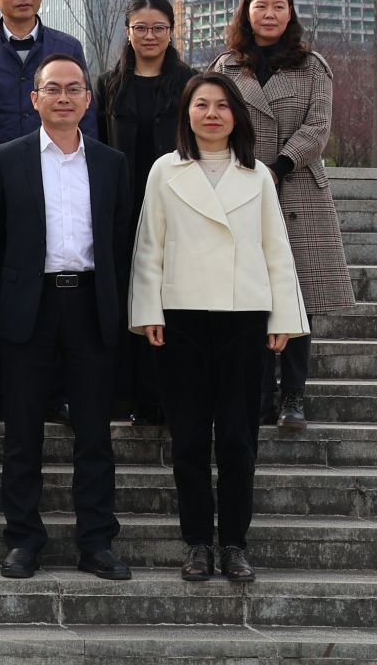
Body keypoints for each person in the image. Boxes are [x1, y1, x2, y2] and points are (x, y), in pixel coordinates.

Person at [130, 72, 308, 585]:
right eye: (202, 104)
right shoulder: (164, 170)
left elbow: (276, 249)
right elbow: (149, 245)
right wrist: (148, 311)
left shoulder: (257, 176)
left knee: (237, 438)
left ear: (237, 116)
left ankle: (234, 543)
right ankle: (196, 544)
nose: (212, 114)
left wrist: (284, 318)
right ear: (186, 113)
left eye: (222, 106)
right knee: (188, 439)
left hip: (243, 317)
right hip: (181, 317)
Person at [0, 54, 133, 581]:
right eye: (53, 89)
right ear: (34, 98)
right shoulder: (6, 160)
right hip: (29, 308)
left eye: (73, 89)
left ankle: (96, 541)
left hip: (90, 306)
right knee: (22, 434)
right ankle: (24, 540)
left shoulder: (111, 164)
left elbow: (121, 245)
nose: (63, 98)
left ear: (88, 99)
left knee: (94, 435)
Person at [0, 0, 96, 425]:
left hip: (60, 180)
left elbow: (86, 115)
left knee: (56, 292)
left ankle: (59, 392)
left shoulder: (66, 46)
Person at [210, 0, 352, 430]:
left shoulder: (312, 66)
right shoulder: (227, 66)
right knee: (250, 294)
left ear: (290, 14)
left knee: (298, 296)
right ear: (246, 12)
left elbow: (319, 127)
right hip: (240, 186)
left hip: (299, 188)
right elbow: (212, 119)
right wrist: (247, 168)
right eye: (260, 6)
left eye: (278, 6)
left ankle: (293, 395)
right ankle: (259, 396)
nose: (269, 14)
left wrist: (280, 165)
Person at [93, 0, 196, 426]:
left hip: (176, 208)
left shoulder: (190, 82)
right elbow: (98, 145)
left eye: (159, 28)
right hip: (122, 207)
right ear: (127, 31)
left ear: (171, 32)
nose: (149, 36)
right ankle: (129, 395)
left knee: (169, 299)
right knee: (125, 297)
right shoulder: (107, 84)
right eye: (141, 28)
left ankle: (166, 396)